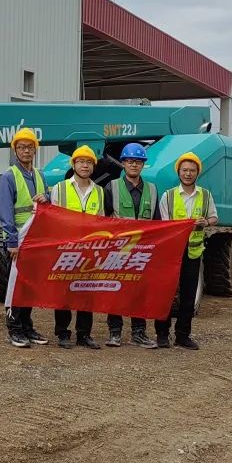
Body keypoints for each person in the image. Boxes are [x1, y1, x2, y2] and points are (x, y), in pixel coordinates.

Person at [155, 152, 218, 350]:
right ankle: (162, 335)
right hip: (171, 254)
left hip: (193, 253)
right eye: (185, 170)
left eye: (192, 170)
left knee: (189, 296)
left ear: (197, 173)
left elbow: (215, 218)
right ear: (179, 172)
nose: (188, 174)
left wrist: (206, 222)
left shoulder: (205, 195)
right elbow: (163, 224)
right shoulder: (169, 195)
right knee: (166, 295)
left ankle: (183, 335)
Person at [49, 145, 105, 350]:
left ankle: (84, 334)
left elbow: (101, 222)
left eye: (89, 162)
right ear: (73, 164)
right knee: (63, 293)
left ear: (93, 166)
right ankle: (62, 333)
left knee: (86, 293)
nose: (85, 165)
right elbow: (53, 219)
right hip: (66, 250)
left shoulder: (98, 191)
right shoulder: (60, 188)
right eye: (81, 161)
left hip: (90, 250)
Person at [0, 127, 49, 348]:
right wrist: (12, 242)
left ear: (35, 150)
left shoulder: (39, 175)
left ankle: (27, 327)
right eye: (21, 147)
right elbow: (5, 211)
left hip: (35, 241)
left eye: (29, 147)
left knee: (28, 287)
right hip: (18, 240)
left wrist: (46, 198)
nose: (26, 151)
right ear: (15, 150)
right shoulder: (9, 176)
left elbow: (47, 205)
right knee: (14, 287)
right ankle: (15, 329)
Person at [103, 143, 158, 349]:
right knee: (115, 291)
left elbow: (157, 222)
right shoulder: (112, 187)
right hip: (118, 250)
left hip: (141, 251)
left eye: (138, 161)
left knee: (139, 292)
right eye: (130, 161)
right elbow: (104, 219)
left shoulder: (152, 190)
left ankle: (139, 332)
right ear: (124, 163)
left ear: (143, 164)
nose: (134, 165)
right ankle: (114, 333)